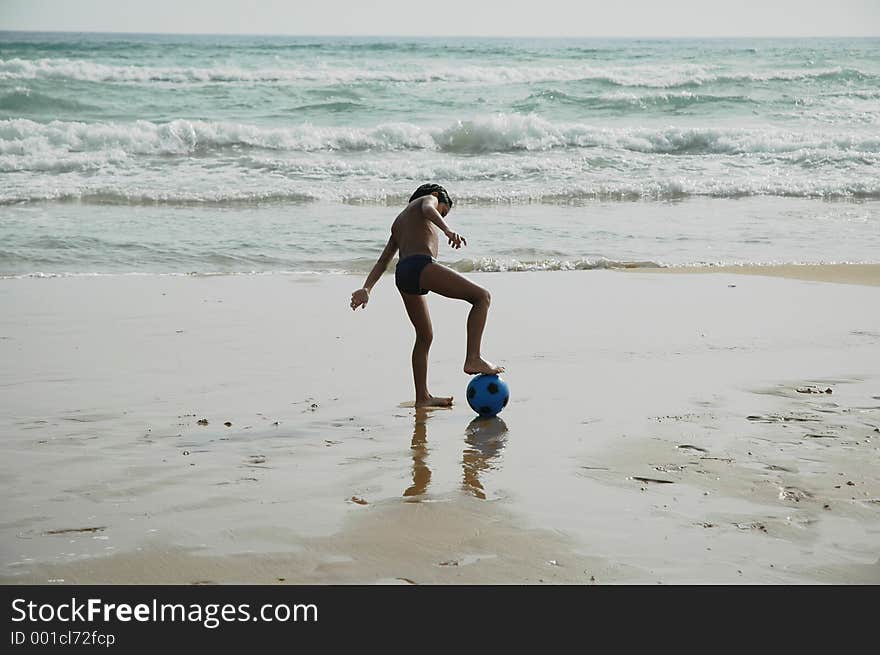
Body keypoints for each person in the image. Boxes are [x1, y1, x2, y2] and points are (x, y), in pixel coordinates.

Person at [350, 183, 504, 408]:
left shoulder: (399, 222)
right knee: (482, 297)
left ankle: (422, 397)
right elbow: (429, 211)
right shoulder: (426, 201)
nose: (439, 214)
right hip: (420, 265)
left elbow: (384, 261)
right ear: (435, 195)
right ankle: (473, 357)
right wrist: (446, 229)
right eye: (444, 210)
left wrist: (367, 288)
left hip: (403, 274)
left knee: (424, 337)